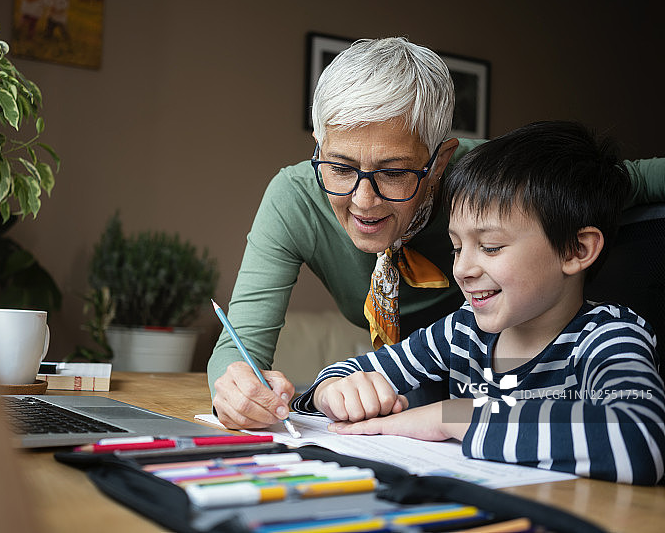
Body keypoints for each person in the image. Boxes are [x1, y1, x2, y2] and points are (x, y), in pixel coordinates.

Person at [208, 36, 665, 431]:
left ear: (440, 161)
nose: (364, 200)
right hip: (429, 388)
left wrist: (452, 419)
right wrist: (249, 391)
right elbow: (242, 347)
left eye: (394, 173)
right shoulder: (297, 199)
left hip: (507, 389)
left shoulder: (496, 187)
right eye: (341, 167)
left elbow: (618, 180)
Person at [291, 121, 665, 485]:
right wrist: (332, 391)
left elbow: (641, 439)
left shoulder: (608, 338)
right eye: (457, 248)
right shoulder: (461, 331)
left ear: (576, 250)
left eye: (490, 247)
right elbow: (343, 373)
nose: (463, 269)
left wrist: (453, 417)